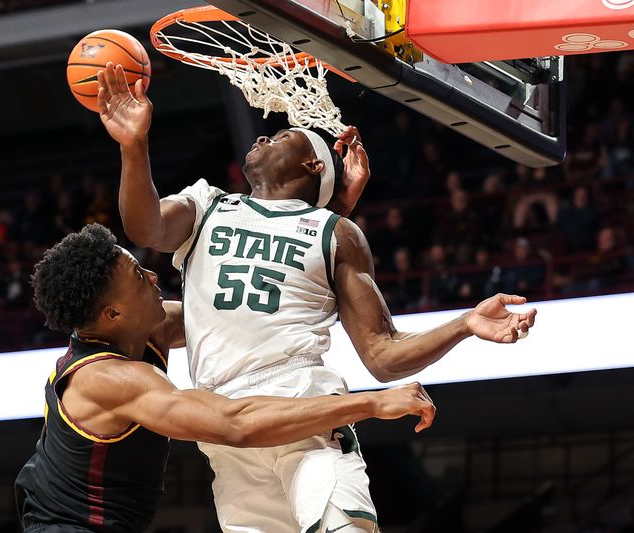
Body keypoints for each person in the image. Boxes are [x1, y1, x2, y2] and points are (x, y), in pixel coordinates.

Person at [98, 63, 537, 533]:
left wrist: (465, 323)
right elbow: (145, 228)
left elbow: (382, 355)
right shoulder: (209, 204)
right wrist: (133, 145)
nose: (265, 137)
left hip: (304, 411)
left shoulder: (337, 233)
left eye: (284, 135)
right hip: (226, 427)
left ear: (312, 165)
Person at [15, 223, 437, 533]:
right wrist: (371, 403)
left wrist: (327, 223)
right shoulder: (107, 380)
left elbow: (249, 307)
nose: (154, 277)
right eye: (139, 278)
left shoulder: (142, 329)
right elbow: (234, 423)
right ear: (113, 314)